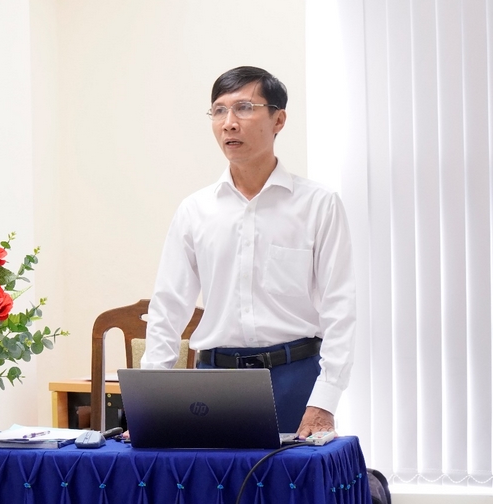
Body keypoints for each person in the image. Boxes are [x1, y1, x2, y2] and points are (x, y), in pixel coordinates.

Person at [140, 66, 356, 438]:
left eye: (244, 108)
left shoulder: (319, 205)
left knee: (293, 493)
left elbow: (341, 308)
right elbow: (168, 308)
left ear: (279, 119)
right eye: (219, 111)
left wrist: (324, 401)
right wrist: (147, 404)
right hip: (214, 383)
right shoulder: (195, 210)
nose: (229, 123)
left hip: (296, 378)